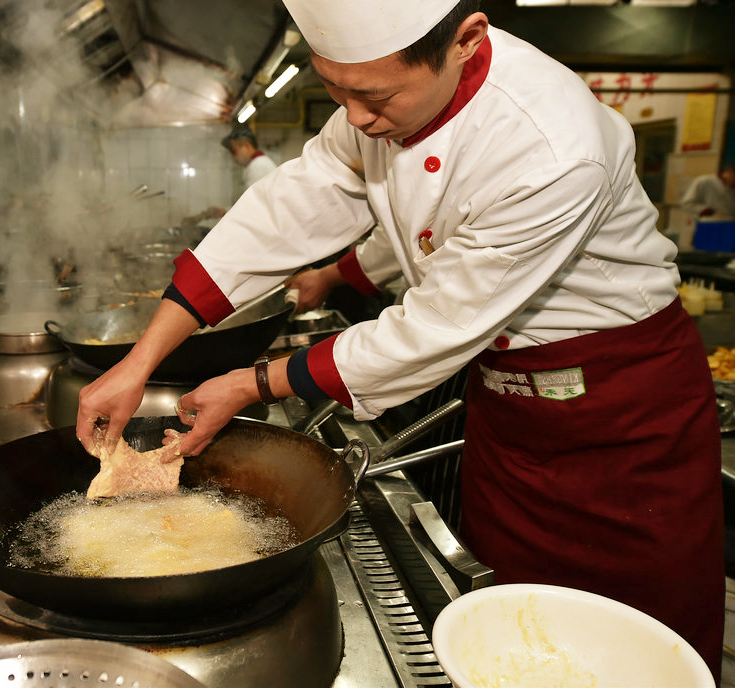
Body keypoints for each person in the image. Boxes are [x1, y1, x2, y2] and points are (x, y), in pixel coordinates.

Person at [77, 0, 724, 679]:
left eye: (372, 96)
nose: (354, 117)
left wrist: (251, 382)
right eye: (334, 88)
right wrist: (141, 358)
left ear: (466, 40)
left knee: (639, 642)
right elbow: (293, 211)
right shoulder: (382, 108)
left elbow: (433, 327)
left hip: (623, 420)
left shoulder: (552, 147)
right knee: (509, 632)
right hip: (508, 417)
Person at [181, 125, 279, 229]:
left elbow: (251, 206)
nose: (232, 157)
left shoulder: (259, 166)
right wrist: (225, 211)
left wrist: (228, 212)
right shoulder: (257, 164)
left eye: (233, 150)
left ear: (246, 146)